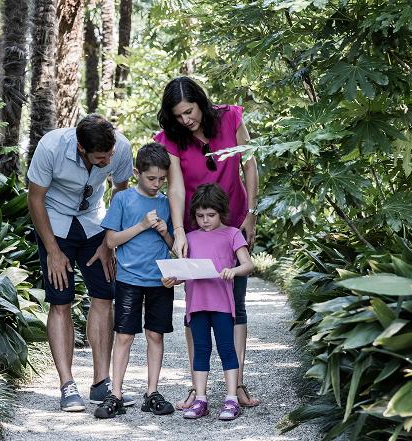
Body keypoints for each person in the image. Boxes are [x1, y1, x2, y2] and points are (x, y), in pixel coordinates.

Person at [154, 76, 260, 409]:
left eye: (189, 111)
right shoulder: (172, 139)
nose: (186, 120)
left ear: (200, 101)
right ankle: (195, 385)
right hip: (194, 229)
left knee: (235, 304)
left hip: (234, 222)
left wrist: (252, 213)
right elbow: (176, 188)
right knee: (196, 307)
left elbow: (250, 164)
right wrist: (179, 231)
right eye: (178, 116)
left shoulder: (231, 117)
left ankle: (237, 384)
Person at [27, 114, 135, 412]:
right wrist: (53, 251)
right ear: (80, 148)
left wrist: (108, 241)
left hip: (95, 222)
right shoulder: (50, 147)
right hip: (55, 222)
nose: (108, 159)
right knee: (60, 301)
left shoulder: (120, 148)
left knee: (104, 296)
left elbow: (121, 193)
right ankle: (67, 384)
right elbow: (35, 198)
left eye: (110, 154)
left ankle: (102, 384)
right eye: (102, 157)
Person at [95, 143, 176, 419]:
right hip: (129, 279)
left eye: (162, 179)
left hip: (159, 281)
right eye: (151, 178)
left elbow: (177, 248)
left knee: (156, 335)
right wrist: (141, 225)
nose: (156, 184)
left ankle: (152, 392)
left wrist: (166, 233)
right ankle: (115, 394)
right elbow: (111, 240)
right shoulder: (122, 199)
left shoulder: (167, 203)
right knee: (125, 336)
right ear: (137, 172)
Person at [163, 183, 254, 420]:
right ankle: (201, 399)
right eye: (200, 215)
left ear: (221, 212)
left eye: (211, 215)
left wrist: (233, 271)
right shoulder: (190, 238)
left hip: (223, 305)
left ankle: (231, 399)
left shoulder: (232, 233)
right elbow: (186, 272)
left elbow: (248, 264)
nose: (205, 220)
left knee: (227, 349)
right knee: (200, 350)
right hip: (196, 306)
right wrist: (174, 279)